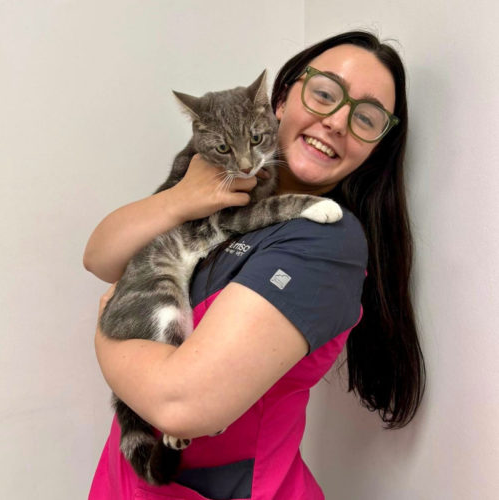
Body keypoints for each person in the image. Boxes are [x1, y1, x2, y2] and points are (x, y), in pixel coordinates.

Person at [84, 31, 426, 500]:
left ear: (375, 146)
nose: (336, 122)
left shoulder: (324, 242)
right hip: (124, 482)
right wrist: (181, 198)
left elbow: (181, 405)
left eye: (365, 118)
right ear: (279, 101)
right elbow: (101, 257)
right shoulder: (219, 186)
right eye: (325, 94)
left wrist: (104, 334)